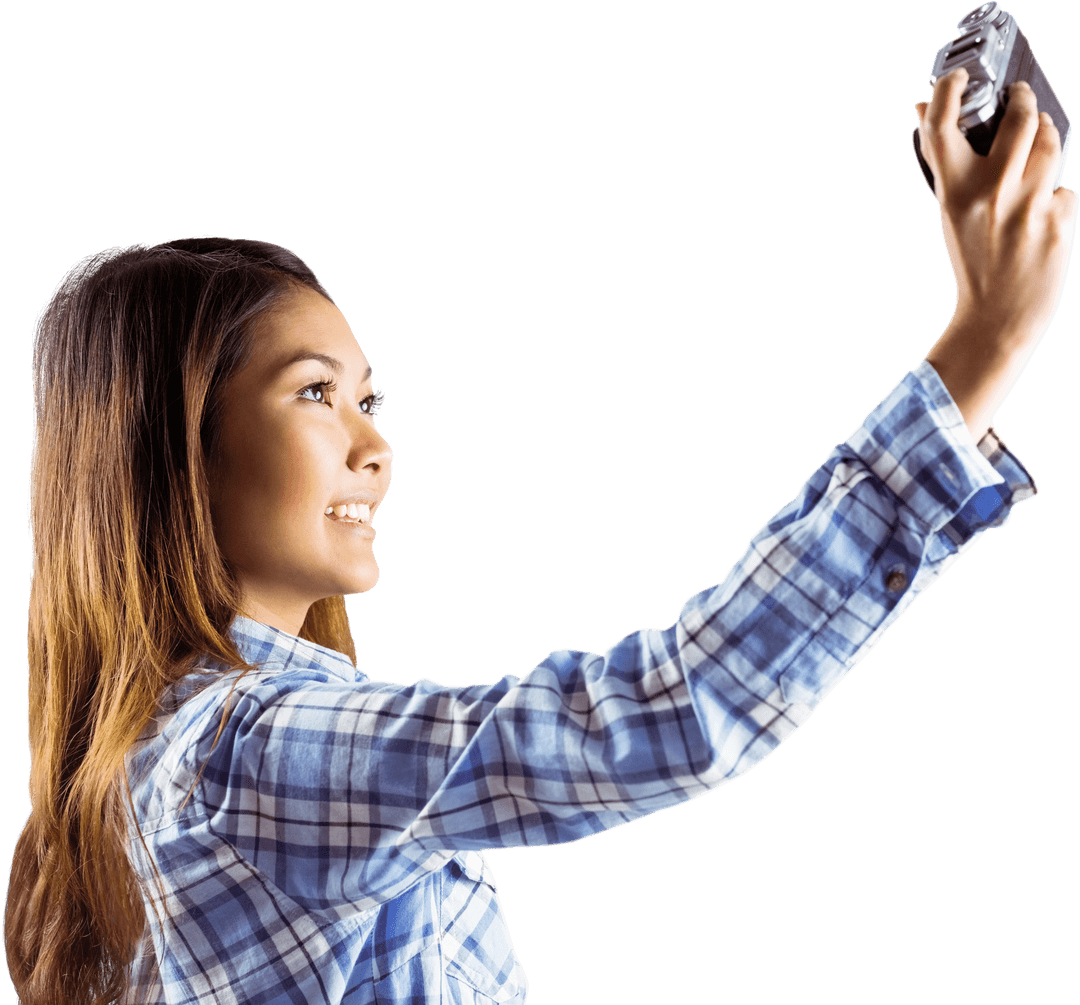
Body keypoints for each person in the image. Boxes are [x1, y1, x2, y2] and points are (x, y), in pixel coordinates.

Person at [4, 66, 1075, 1005]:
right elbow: (667, 713)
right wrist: (977, 350)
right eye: (314, 392)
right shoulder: (255, 755)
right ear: (172, 450)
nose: (373, 451)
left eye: (372, 403)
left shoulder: (138, 777)